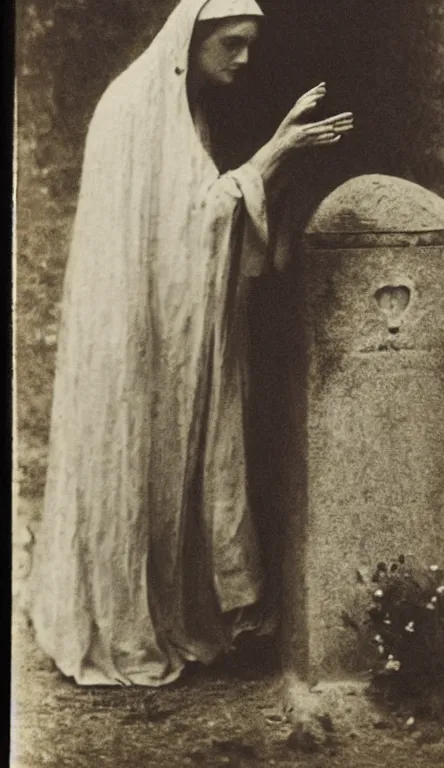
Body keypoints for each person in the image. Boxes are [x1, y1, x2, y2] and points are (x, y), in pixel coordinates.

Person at [30, 0, 354, 686]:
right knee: (137, 450)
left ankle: (181, 604)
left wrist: (275, 170)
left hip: (161, 326)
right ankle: (122, 615)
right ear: (193, 37)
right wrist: (275, 152)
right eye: (232, 44)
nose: (242, 59)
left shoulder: (184, 111)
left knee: (179, 451)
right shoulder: (131, 111)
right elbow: (190, 229)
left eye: (249, 47)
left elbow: (198, 220)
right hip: (131, 332)